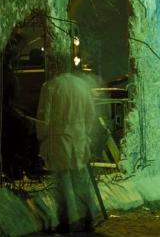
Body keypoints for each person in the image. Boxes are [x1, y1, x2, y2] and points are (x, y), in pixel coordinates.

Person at [37, 56, 104, 233]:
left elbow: (44, 117)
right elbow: (90, 113)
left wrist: (41, 137)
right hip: (79, 139)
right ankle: (91, 215)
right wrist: (85, 132)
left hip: (59, 139)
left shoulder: (50, 87)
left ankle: (69, 220)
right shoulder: (82, 85)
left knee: (64, 180)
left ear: (55, 67)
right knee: (81, 177)